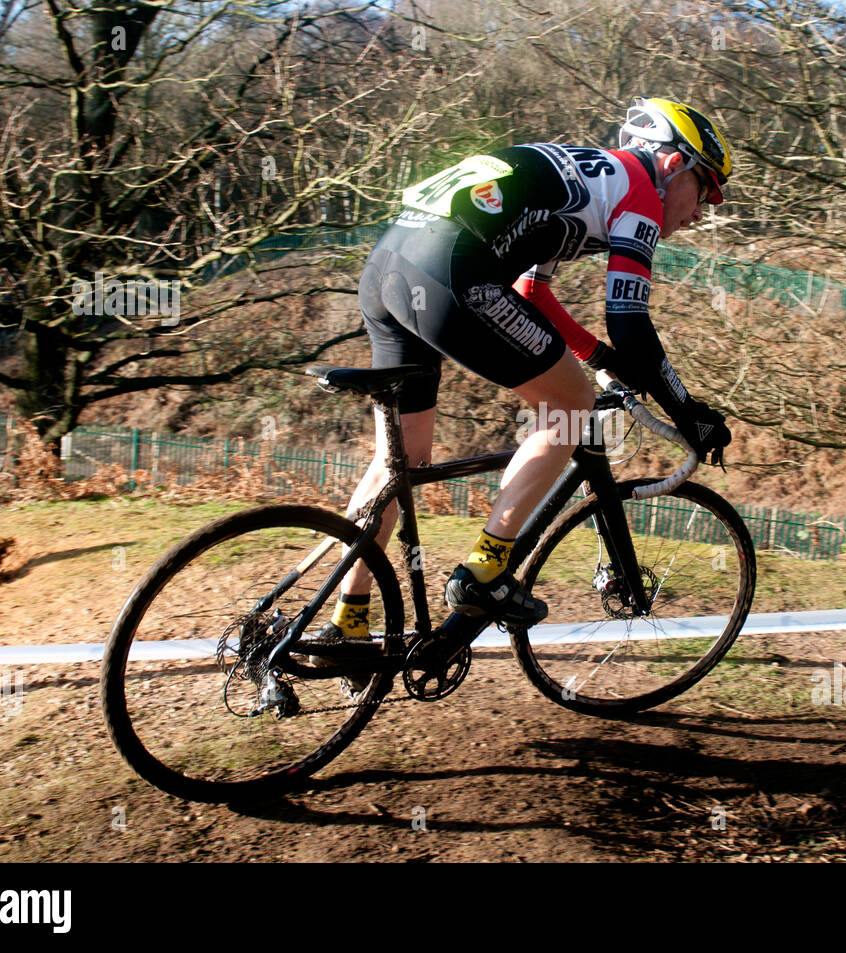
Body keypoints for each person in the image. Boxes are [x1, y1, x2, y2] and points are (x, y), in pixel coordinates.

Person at [314, 97, 734, 665]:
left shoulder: (585, 172)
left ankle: (348, 624)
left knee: (401, 462)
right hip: (449, 274)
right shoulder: (637, 195)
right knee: (570, 406)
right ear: (670, 165)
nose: (706, 209)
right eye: (707, 187)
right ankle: (485, 571)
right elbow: (630, 321)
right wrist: (689, 412)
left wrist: (597, 352)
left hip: (388, 268)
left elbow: (532, 291)